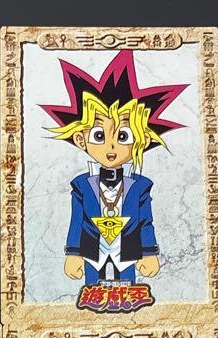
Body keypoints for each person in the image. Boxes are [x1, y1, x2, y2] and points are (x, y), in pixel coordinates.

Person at [41, 50, 187, 285]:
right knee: (91, 292)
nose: (111, 146)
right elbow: (77, 220)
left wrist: (149, 253)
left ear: (142, 141)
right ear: (80, 139)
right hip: (92, 249)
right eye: (99, 135)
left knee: (128, 290)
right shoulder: (81, 185)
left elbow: (145, 221)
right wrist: (73, 253)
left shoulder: (140, 185)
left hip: (127, 250)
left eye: (123, 136)